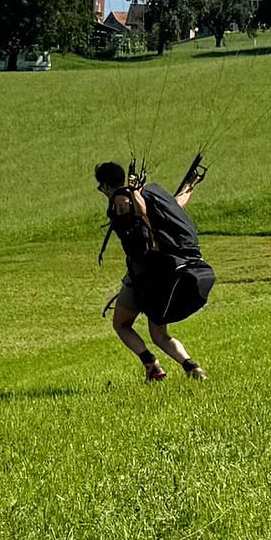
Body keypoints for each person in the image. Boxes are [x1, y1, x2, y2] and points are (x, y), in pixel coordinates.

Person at [95, 160, 215, 383]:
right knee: (159, 334)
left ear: (106, 186)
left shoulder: (121, 201)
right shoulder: (145, 196)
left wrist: (132, 192)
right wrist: (190, 184)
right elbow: (175, 207)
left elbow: (141, 213)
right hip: (162, 276)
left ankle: (151, 363)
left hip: (142, 278)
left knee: (121, 324)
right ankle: (192, 367)